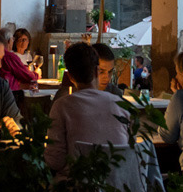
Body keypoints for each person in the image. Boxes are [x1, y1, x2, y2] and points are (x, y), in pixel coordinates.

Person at [46, 42, 130, 175]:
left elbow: (55, 161)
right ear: (96, 71)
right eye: (102, 71)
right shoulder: (121, 104)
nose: (107, 78)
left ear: (70, 76)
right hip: (117, 186)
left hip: (77, 187)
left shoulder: (62, 107)